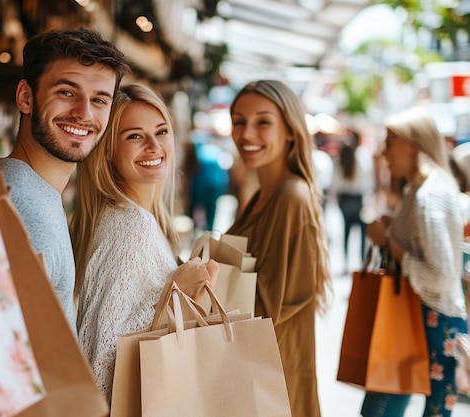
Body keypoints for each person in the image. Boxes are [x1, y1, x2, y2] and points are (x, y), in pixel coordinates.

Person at [70, 83, 219, 404]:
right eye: (135, 136)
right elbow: (101, 360)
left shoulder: (127, 217)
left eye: (162, 132)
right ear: (107, 149)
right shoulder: (132, 226)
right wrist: (175, 294)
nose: (154, 145)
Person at [0, 28, 131, 326]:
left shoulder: (28, 191)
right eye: (67, 92)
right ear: (26, 97)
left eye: (100, 100)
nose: (83, 113)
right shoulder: (21, 210)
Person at [225, 79, 332, 417]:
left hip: (274, 374)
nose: (246, 134)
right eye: (239, 121)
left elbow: (266, 305)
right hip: (257, 368)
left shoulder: (290, 196)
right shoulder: (264, 194)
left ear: (290, 130)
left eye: (263, 122)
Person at [361, 107, 468, 417]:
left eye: (390, 141)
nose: (383, 151)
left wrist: (387, 241)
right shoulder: (419, 189)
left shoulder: (429, 194)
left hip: (434, 319)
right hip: (420, 316)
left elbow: (441, 275)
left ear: (412, 144)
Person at [330, 130, 375, 272]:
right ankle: (362, 262)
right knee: (362, 233)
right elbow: (369, 180)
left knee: (346, 231)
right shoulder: (363, 156)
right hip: (358, 198)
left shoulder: (341, 158)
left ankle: (346, 262)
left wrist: (335, 198)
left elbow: (335, 182)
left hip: (345, 198)